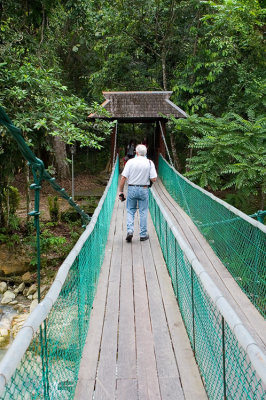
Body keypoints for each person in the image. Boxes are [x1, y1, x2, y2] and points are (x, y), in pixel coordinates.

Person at [119, 144, 157, 242]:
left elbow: (123, 177)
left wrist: (121, 191)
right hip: (144, 189)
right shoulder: (149, 163)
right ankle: (143, 235)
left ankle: (130, 231)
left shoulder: (130, 162)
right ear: (146, 153)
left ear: (136, 152)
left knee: (130, 210)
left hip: (131, 188)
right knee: (143, 211)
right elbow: (154, 179)